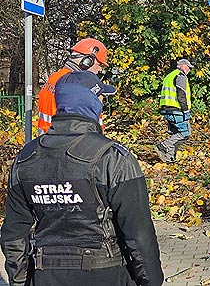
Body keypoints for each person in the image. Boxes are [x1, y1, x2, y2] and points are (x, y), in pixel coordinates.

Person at [1, 70, 164, 286]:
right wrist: (151, 281)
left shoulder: (26, 158)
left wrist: (20, 281)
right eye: (100, 96)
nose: (103, 102)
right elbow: (139, 233)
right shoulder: (113, 157)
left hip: (46, 275)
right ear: (90, 101)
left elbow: (14, 233)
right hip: (106, 273)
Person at [38, 37, 109, 134]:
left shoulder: (54, 78)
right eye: (100, 64)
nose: (100, 70)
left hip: (46, 141)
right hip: (67, 143)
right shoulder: (77, 87)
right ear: (87, 61)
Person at [155, 58, 193, 163]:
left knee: (175, 134)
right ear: (182, 66)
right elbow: (181, 94)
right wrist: (185, 110)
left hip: (167, 109)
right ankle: (163, 146)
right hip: (176, 110)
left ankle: (169, 159)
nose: (189, 69)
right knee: (185, 133)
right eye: (188, 67)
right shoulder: (180, 76)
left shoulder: (169, 76)